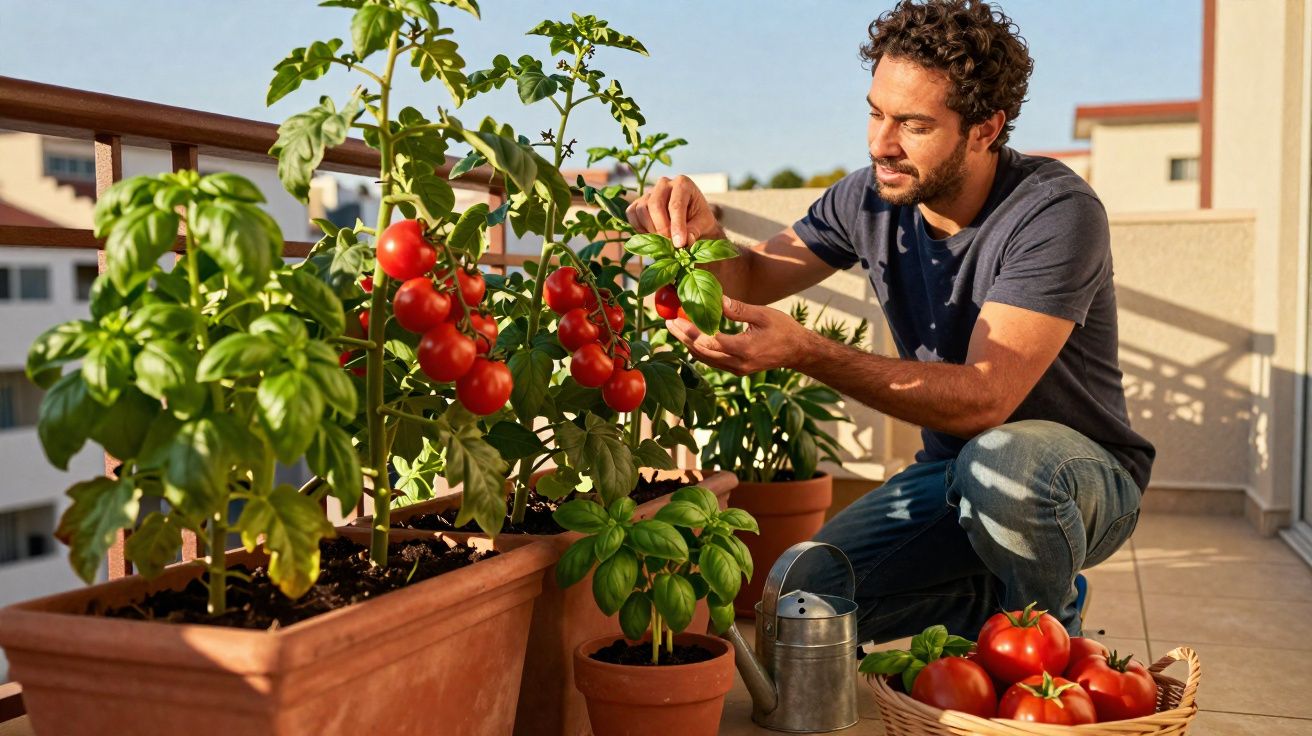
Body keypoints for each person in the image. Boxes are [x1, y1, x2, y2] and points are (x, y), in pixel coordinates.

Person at [625, 0, 1154, 641]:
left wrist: (808, 352)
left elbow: (986, 399)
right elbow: (755, 277)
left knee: (1007, 465)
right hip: (953, 475)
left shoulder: (1054, 213)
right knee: (800, 602)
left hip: (1077, 479)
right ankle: (991, 600)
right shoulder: (868, 195)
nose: (881, 143)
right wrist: (707, 238)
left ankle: (1046, 642)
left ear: (986, 128)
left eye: (913, 125)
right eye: (876, 113)